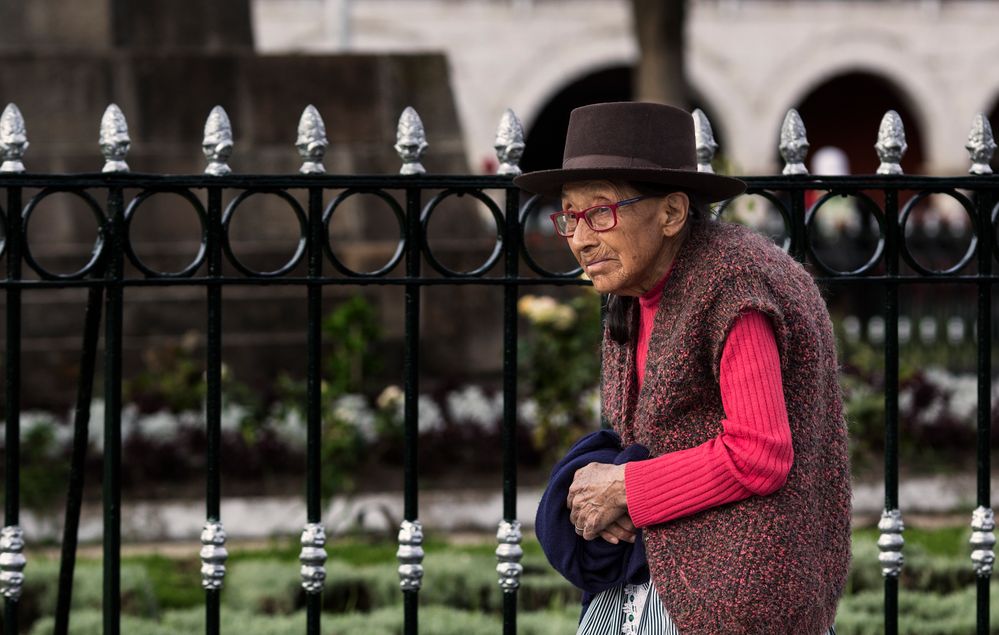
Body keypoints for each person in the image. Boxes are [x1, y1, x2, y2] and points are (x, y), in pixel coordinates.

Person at [517, 102, 850, 634]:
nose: (580, 238)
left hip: (739, 596)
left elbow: (761, 454)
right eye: (569, 216)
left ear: (672, 213)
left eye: (601, 212)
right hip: (664, 577)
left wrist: (627, 487)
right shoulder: (637, 288)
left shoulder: (733, 284)